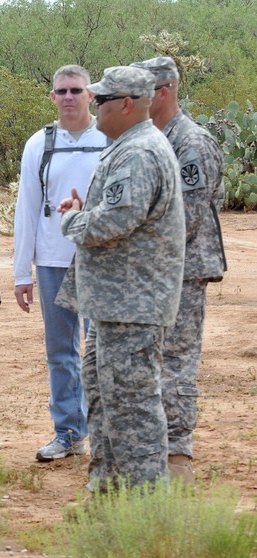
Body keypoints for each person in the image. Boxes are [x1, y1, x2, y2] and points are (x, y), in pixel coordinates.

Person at [55, 65, 185, 492]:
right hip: (115, 306)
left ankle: (145, 507)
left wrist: (75, 218)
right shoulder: (128, 146)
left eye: (102, 100)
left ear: (126, 104)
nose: (95, 107)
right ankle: (108, 494)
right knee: (105, 399)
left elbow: (114, 221)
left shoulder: (140, 151)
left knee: (132, 410)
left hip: (132, 307)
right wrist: (86, 210)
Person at [131, 56, 227, 483]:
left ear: (162, 91)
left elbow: (186, 219)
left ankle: (177, 454)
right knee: (147, 362)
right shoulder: (151, 138)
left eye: (140, 93)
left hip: (183, 273)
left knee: (176, 362)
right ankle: (152, 451)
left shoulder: (191, 142)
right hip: (152, 272)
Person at [13, 65, 107, 462]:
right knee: (60, 352)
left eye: (76, 90)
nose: (69, 97)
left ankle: (106, 434)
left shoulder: (110, 138)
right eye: (61, 91)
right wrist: (22, 272)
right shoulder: (40, 142)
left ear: (91, 95)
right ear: (52, 97)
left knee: (102, 350)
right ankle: (69, 433)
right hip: (53, 261)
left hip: (102, 258)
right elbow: (27, 208)